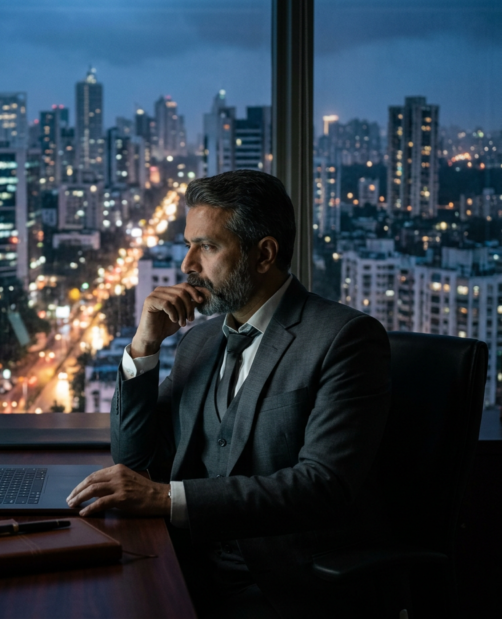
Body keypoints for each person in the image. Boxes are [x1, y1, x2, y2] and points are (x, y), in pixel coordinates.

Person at [67, 170, 391, 618]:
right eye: (188, 245)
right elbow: (134, 460)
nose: (187, 266)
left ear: (264, 255)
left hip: (281, 590)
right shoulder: (198, 343)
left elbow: (322, 487)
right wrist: (143, 347)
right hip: (183, 568)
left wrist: (167, 499)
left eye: (208, 246)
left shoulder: (345, 339)